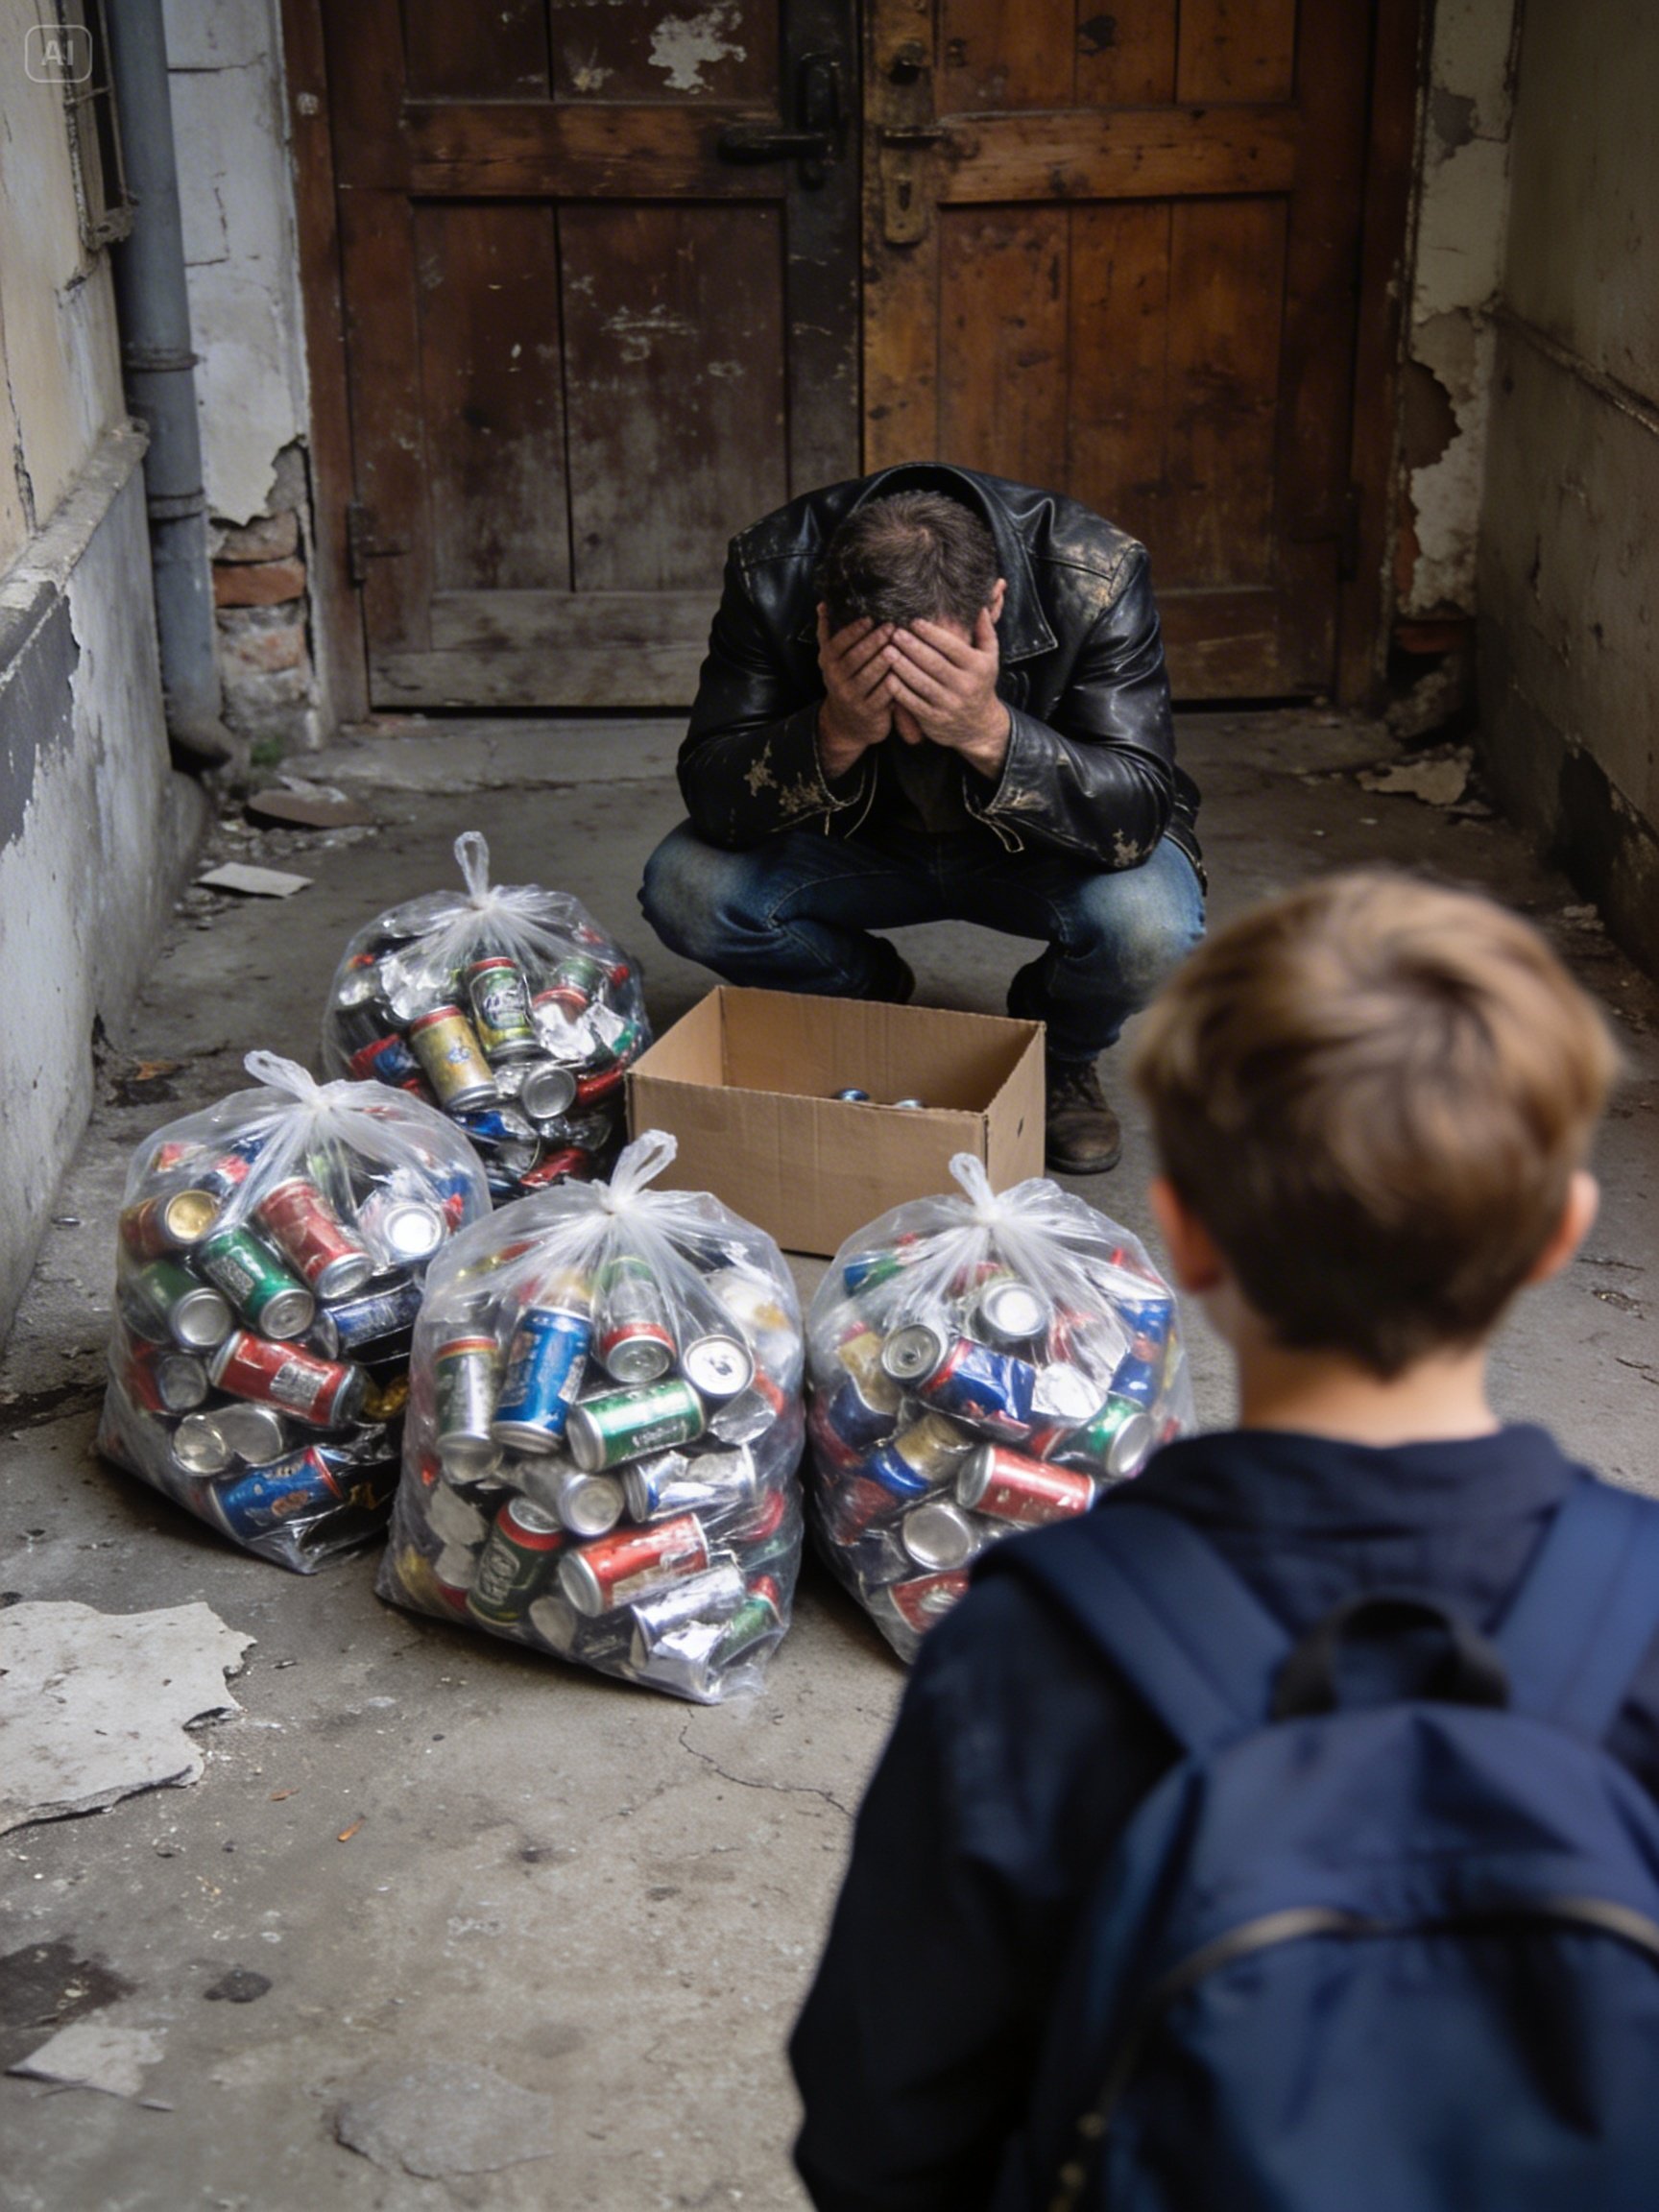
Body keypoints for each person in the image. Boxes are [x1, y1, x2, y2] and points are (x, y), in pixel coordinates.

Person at [788, 868, 1647, 2210]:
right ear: (1559, 1237)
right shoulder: (1642, 1617)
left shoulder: (1030, 1645)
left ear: (1180, 1239)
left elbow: (881, 2128)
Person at [637, 466, 1205, 1174]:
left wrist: (989, 731)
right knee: (687, 888)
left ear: (994, 603)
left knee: (1151, 925)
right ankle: (867, 995)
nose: (912, 707)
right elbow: (713, 792)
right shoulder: (772, 567)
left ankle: (1057, 1055)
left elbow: (1139, 809)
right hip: (849, 845)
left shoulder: (1095, 571)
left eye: (935, 665)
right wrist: (835, 730)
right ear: (824, 619)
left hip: (1035, 849)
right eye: (882, 669)